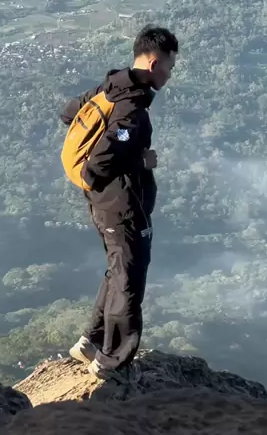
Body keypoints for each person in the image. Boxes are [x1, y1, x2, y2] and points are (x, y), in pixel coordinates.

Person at [60, 24, 178, 382]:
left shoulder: (111, 86)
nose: (170, 74)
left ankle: (92, 342)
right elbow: (99, 165)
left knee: (118, 269)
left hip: (103, 204)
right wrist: (141, 160)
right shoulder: (131, 110)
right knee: (130, 278)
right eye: (169, 66)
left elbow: (69, 113)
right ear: (154, 63)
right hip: (121, 206)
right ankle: (112, 363)